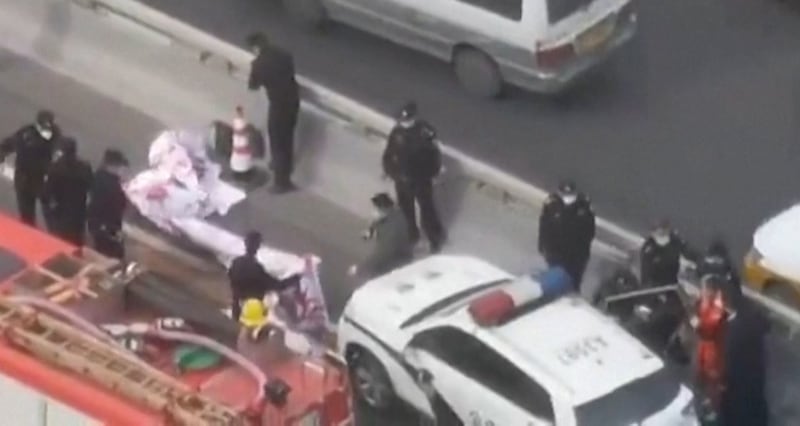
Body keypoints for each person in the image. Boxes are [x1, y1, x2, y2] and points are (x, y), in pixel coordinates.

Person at [382, 102, 445, 253]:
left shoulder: (424, 132)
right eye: (403, 121)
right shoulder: (397, 133)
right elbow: (389, 154)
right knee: (406, 209)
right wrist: (389, 171)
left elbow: (434, 155)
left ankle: (434, 237)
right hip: (402, 180)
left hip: (420, 179)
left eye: (408, 119)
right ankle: (412, 236)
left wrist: (434, 173)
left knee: (427, 209)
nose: (406, 123)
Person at [246, 32, 299, 193]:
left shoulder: (258, 64)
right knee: (288, 137)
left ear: (255, 47)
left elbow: (253, 86)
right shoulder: (284, 55)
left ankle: (282, 182)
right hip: (293, 100)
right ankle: (284, 166)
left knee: (277, 141)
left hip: (278, 104)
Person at [719, 275, 770, 426]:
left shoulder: (730, 332)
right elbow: (766, 326)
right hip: (756, 374)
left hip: (737, 385)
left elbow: (725, 362)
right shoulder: (752, 317)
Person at [0, 110, 60, 226]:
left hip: (41, 178)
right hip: (24, 178)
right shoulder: (26, 134)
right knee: (27, 211)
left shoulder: (55, 135)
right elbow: (8, 145)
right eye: (44, 127)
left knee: (51, 210)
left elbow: (59, 152)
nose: (47, 131)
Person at [537, 180, 596, 290]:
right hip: (555, 251)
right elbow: (544, 227)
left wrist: (585, 247)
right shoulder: (552, 204)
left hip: (577, 253)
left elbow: (590, 229)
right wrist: (541, 245)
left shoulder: (583, 205)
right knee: (556, 279)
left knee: (575, 279)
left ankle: (573, 298)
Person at [228, 231, 293, 320]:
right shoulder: (256, 268)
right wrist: (297, 277)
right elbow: (278, 285)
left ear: (245, 243)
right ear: (258, 246)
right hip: (251, 310)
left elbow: (231, 278)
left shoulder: (236, 262)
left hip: (237, 306)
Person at [348, 193, 414, 279]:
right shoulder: (395, 214)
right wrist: (370, 231)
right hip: (398, 255)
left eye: (375, 209)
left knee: (378, 275)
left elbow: (381, 254)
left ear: (383, 209)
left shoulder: (392, 229)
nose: (373, 212)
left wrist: (358, 268)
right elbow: (378, 222)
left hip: (395, 262)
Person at [41, 137, 93, 246]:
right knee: (77, 240)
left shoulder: (56, 169)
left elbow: (46, 194)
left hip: (61, 212)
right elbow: (91, 187)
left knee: (61, 242)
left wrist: (49, 215)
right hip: (79, 212)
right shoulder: (85, 167)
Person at [692, 275, 729, 424]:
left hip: (714, 351)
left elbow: (707, 331)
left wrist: (694, 322)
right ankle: (705, 400)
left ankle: (715, 409)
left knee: (713, 381)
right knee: (700, 376)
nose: (701, 291)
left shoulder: (718, 308)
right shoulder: (705, 301)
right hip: (704, 347)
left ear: (711, 290)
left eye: (704, 288)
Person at [87, 149, 129, 259]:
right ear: (112, 166)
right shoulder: (113, 186)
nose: (121, 170)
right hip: (109, 226)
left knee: (100, 248)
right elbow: (121, 205)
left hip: (96, 223)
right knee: (113, 253)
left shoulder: (98, 176)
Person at [639, 220, 694, 287]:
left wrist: (700, 261)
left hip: (672, 283)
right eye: (658, 231)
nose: (661, 232)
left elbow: (690, 253)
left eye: (664, 229)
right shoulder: (648, 249)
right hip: (655, 286)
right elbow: (645, 273)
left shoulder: (675, 242)